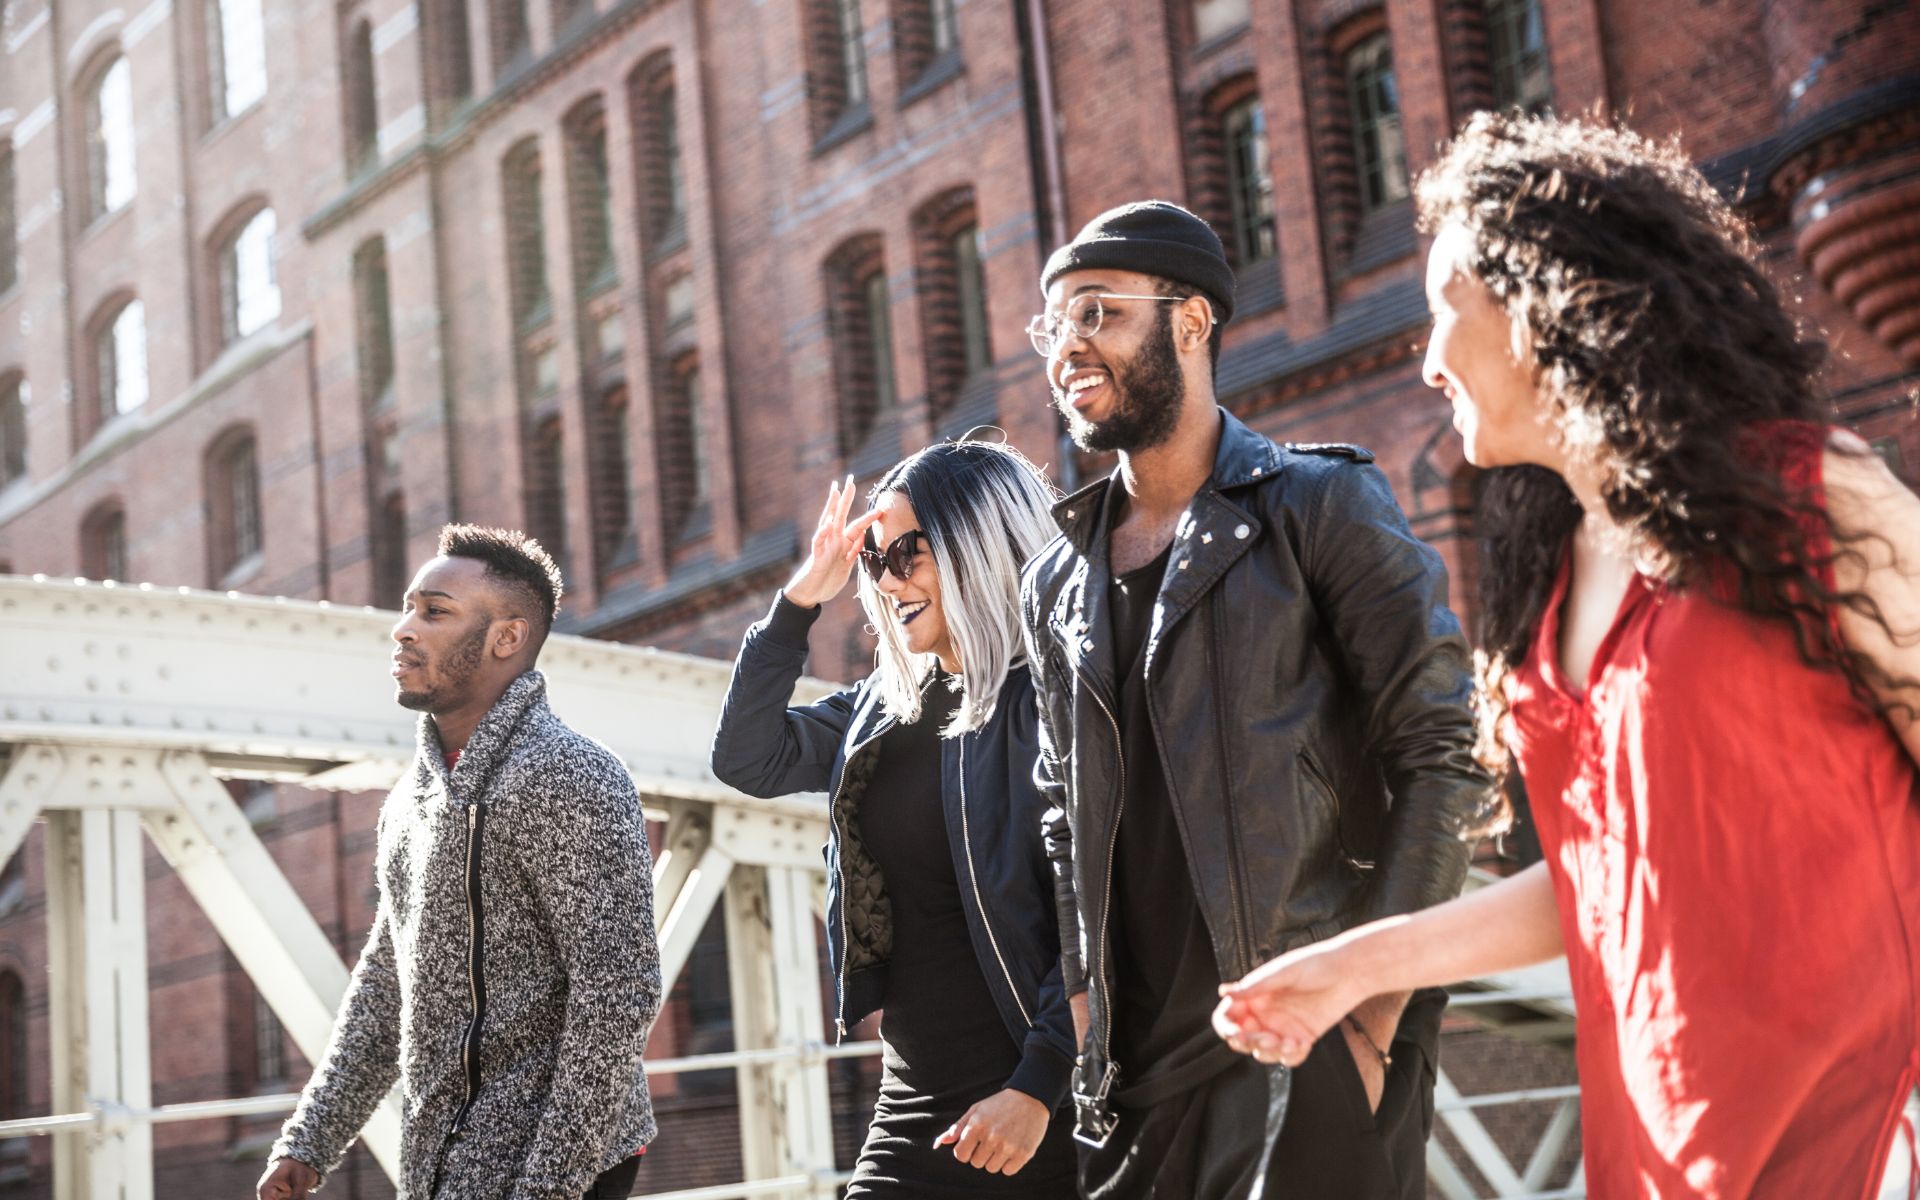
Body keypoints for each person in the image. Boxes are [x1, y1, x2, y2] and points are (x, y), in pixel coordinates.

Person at [1214, 111, 1920, 1200]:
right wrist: (1355, 965)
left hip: (1855, 1150)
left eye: (1450, 308)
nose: (1430, 357)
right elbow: (1610, 878)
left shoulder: (1808, 495)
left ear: (1552, 303)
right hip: (1659, 1153)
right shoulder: (1555, 582)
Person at [1019, 200, 1492, 1199]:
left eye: (1098, 312)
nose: (1068, 347)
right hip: (1131, 1079)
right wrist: (1080, 1008)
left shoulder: (1317, 507)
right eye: (1053, 325)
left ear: (1190, 322)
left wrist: (1370, 1017)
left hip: (1303, 1042)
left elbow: (1442, 750)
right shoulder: (1053, 582)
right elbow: (1063, 815)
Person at [711, 440, 1080, 1197]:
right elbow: (748, 757)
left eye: (907, 552)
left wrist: (1039, 1086)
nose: (885, 580)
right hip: (914, 1103)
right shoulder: (884, 707)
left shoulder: (1058, 702)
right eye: (873, 561)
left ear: (981, 543)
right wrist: (801, 600)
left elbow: (1107, 915)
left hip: (1043, 1101)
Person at [257, 525, 661, 1200]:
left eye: (434, 611)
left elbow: (617, 994)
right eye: (409, 607)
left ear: (507, 637)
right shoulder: (410, 800)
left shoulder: (571, 775)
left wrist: (551, 1183)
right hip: (440, 1159)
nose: (404, 629)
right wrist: (311, 1140)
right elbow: (389, 982)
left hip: (555, 1161)